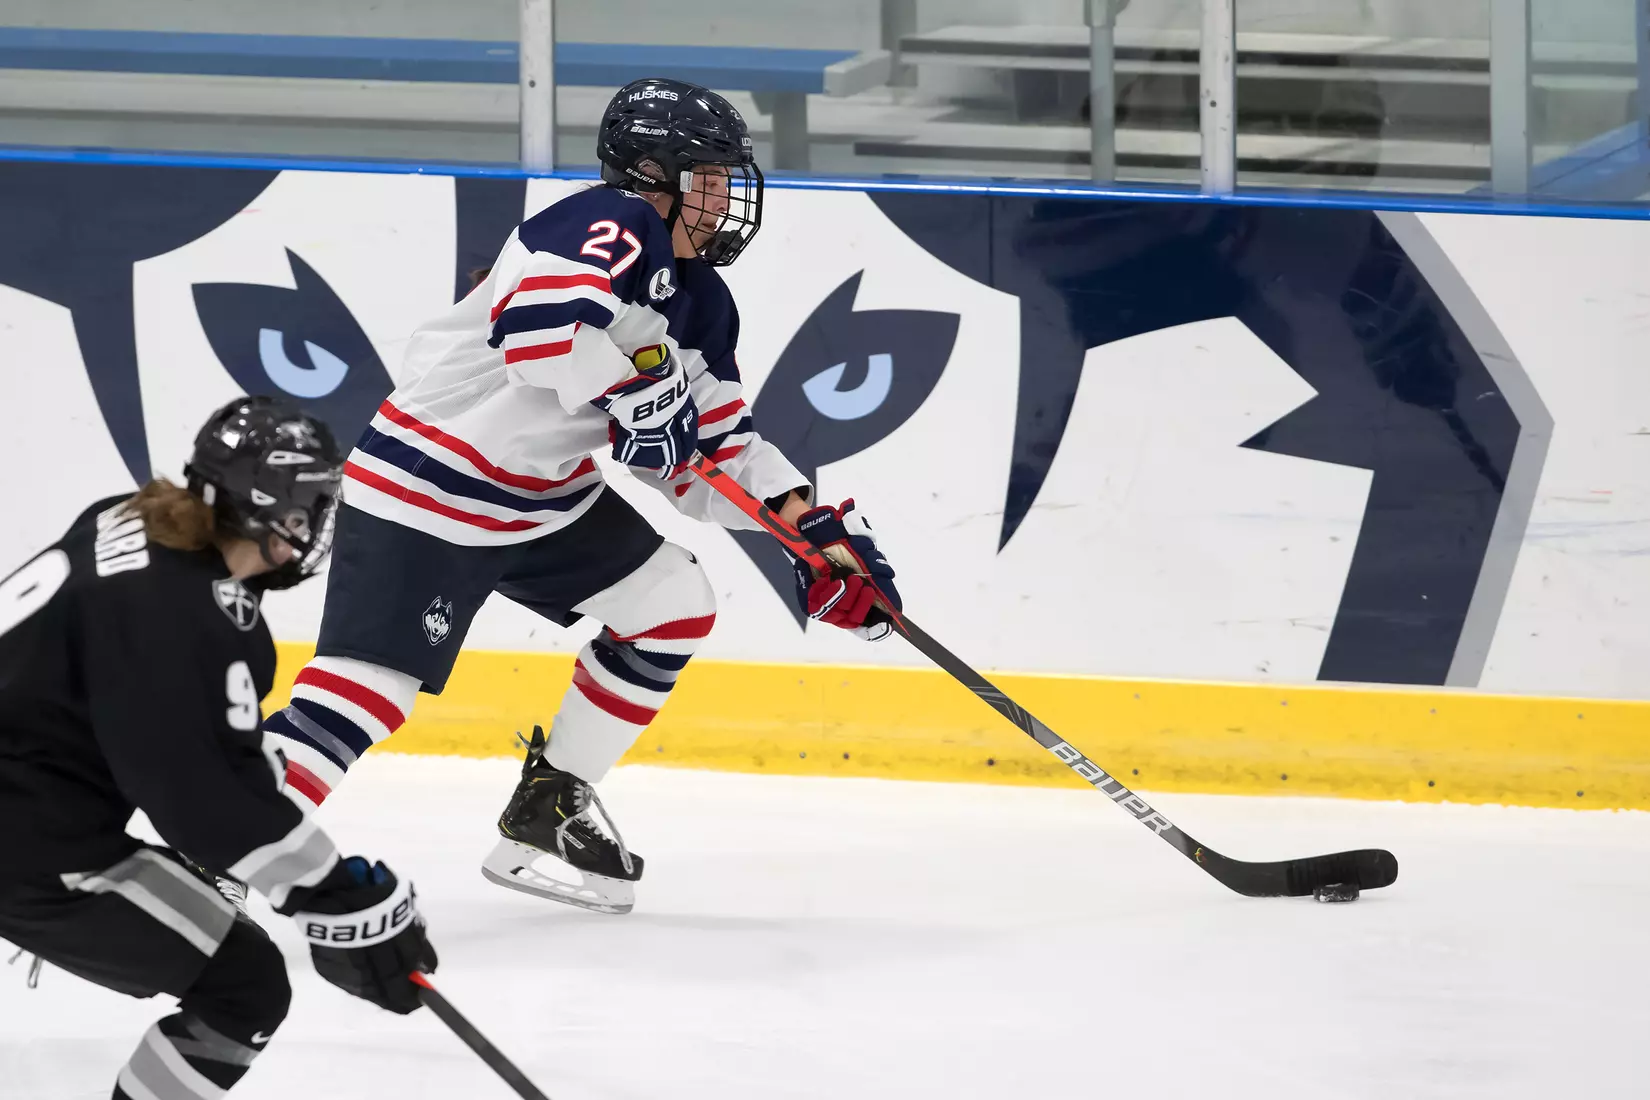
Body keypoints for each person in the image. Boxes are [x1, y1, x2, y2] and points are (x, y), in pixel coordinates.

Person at [263, 76, 903, 915]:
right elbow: (537, 338)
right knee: (368, 690)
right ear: (651, 173)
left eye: (726, 178)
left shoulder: (702, 302)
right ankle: (222, 839)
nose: (723, 198)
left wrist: (805, 528)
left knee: (672, 604)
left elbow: (713, 450)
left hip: (541, 499)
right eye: (709, 176)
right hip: (429, 485)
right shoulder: (605, 221)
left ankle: (550, 807)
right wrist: (634, 390)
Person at [0, 396, 438, 1099]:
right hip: (27, 844)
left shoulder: (128, 518)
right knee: (243, 986)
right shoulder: (184, 615)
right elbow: (200, 800)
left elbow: (189, 751)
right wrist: (337, 896)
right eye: (307, 508)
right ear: (270, 512)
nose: (313, 526)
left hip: (27, 807)